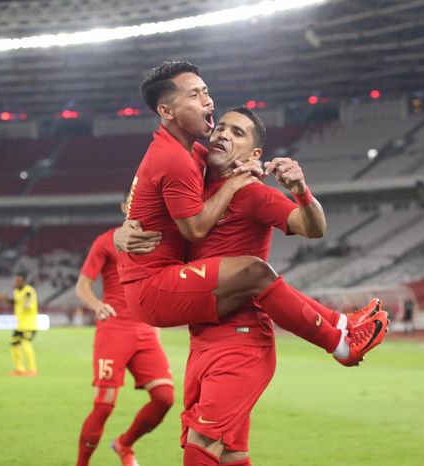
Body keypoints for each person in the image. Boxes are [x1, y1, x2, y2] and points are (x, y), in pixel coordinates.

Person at [113, 61, 387, 377]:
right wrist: (122, 234)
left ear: (254, 154)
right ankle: (341, 343)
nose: (207, 101)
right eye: (195, 95)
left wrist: (297, 189)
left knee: (205, 426)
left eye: (206, 92)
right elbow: (195, 229)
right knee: (255, 270)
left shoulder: (196, 155)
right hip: (155, 289)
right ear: (167, 110)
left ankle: (340, 324)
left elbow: (141, 202)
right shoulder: (176, 158)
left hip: (184, 296)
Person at [175, 107, 383, 466]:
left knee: (201, 443)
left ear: (255, 155)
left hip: (240, 343)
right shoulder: (196, 185)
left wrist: (301, 190)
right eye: (220, 127)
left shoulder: (252, 194)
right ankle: (341, 325)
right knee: (231, 454)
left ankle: (340, 340)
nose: (223, 134)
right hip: (202, 340)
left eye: (238, 133)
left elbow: (314, 228)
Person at [75, 201, 174, 466]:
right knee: (105, 404)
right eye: (132, 200)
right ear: (123, 206)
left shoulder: (157, 240)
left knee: (165, 398)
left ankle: (124, 444)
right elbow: (83, 285)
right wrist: (97, 306)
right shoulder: (106, 241)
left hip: (146, 330)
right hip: (114, 328)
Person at [0, 273, 39, 376]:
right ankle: (19, 369)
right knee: (14, 345)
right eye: (15, 281)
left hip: (30, 325)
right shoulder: (17, 291)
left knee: (26, 344)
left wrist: (27, 304)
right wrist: (7, 300)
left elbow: (27, 302)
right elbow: (16, 302)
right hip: (20, 325)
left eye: (18, 281)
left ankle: (32, 370)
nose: (16, 283)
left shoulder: (28, 291)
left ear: (23, 281)